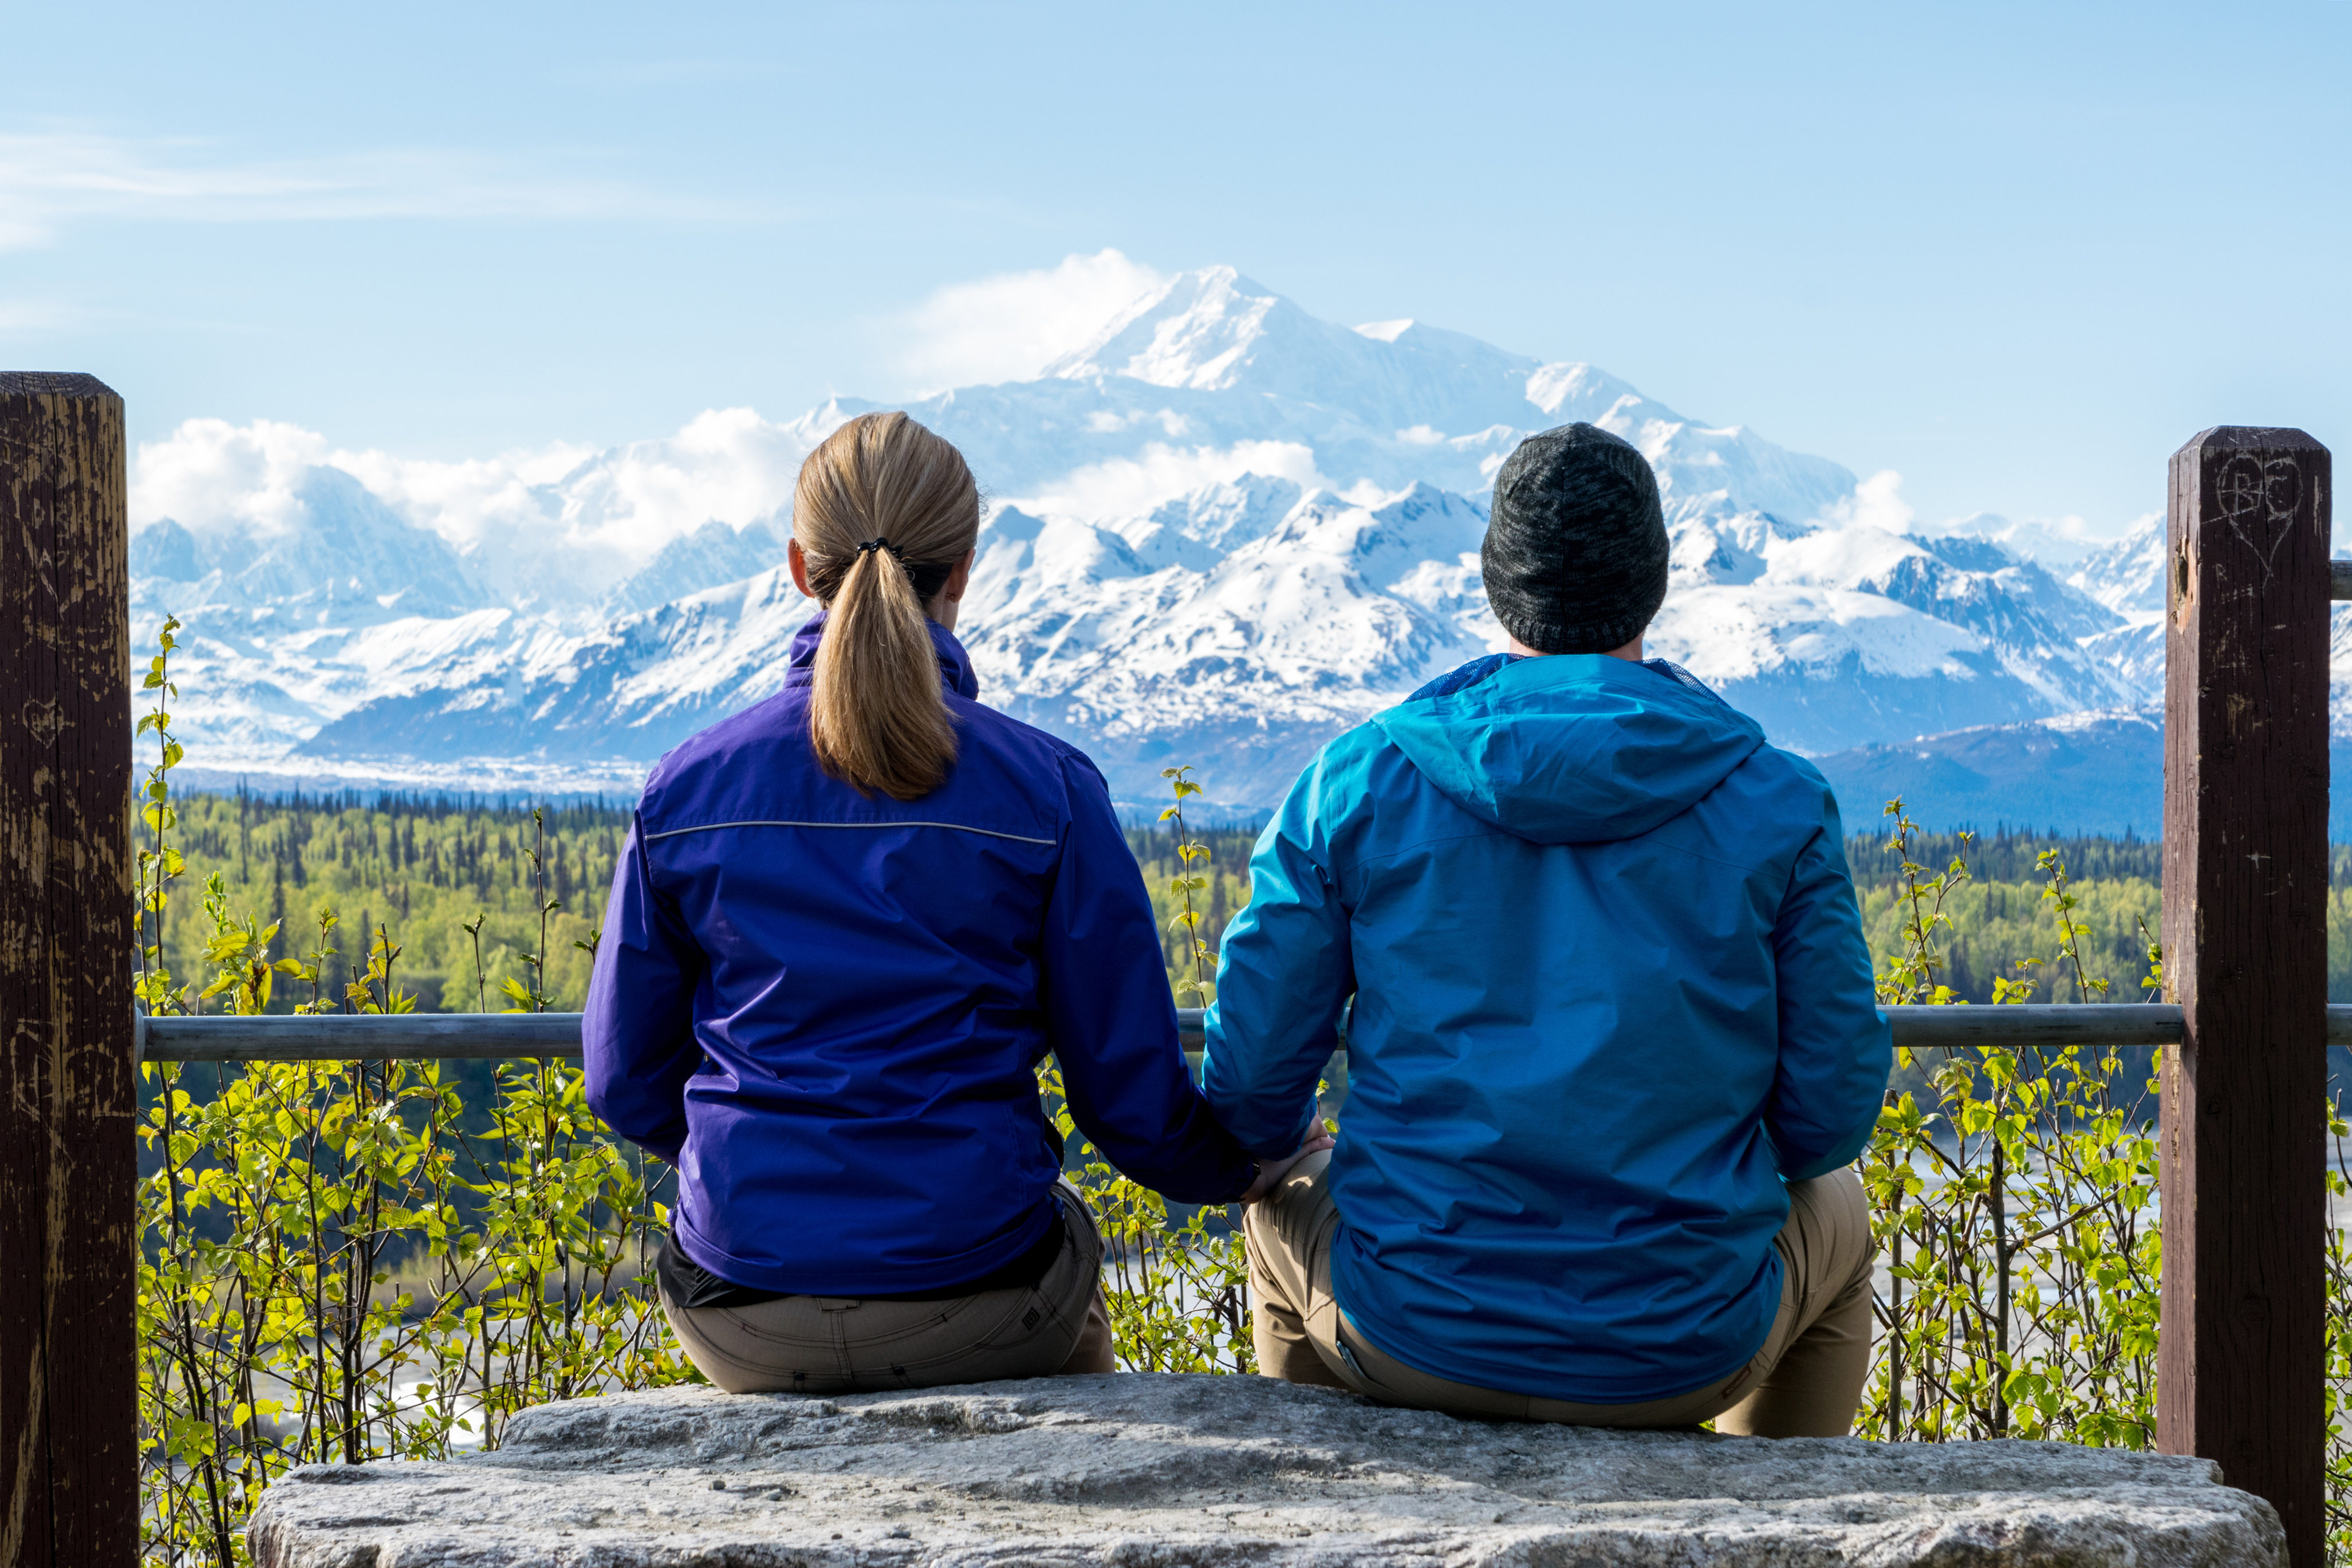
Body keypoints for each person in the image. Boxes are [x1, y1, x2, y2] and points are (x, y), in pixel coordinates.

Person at [583, 410, 1321, 1396]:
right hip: (978, 1292)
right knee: (1061, 1270)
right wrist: (1244, 1166)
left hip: (738, 1306)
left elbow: (622, 1074)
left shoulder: (684, 788)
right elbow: (1126, 1096)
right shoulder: (1047, 789)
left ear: (801, 568)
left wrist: (751, 1160)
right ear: (964, 570)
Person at [1201, 422, 1891, 1437]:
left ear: (1495, 581)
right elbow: (1827, 1116)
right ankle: (1772, 1515)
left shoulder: (1359, 781)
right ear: (1654, 583)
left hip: (1410, 1334)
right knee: (1841, 1209)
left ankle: (1338, 1491)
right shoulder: (1777, 798)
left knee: (1277, 1196)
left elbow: (1251, 1090)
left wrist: (1292, 1142)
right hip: (1684, 1353)